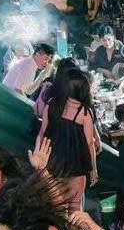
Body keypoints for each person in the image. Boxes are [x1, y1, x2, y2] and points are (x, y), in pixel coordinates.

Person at [40, 67, 98, 211]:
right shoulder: (84, 112)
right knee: (75, 209)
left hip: (53, 162)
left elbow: (42, 133)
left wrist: (40, 159)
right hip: (76, 165)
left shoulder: (51, 105)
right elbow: (90, 143)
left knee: (53, 207)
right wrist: (93, 169)